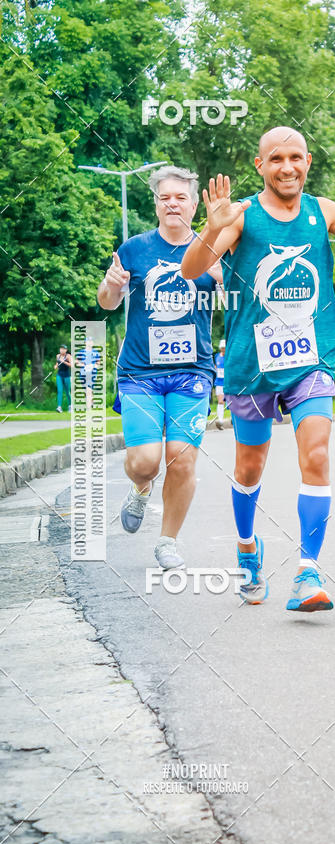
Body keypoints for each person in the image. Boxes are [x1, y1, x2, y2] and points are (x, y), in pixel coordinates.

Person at [181, 126, 335, 611]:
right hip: (250, 363)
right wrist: (214, 228)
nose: (287, 166)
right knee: (250, 464)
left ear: (308, 161)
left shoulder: (325, 212)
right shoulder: (241, 216)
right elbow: (192, 270)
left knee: (316, 455)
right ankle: (246, 546)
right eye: (276, 158)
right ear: (261, 166)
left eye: (295, 157)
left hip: (311, 360)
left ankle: (307, 572)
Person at [97, 165, 217, 571]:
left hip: (193, 371)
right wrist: (112, 284)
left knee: (181, 460)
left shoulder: (210, 247)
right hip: (140, 373)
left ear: (193, 203)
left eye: (180, 197)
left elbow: (242, 298)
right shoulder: (135, 248)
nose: (172, 203)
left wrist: (223, 276)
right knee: (146, 462)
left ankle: (167, 542)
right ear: (156, 203)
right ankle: (140, 488)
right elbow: (106, 302)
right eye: (164, 197)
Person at [74, 336, 101, 408]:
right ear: (85, 343)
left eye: (91, 341)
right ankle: (91, 401)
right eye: (88, 341)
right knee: (86, 390)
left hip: (92, 373)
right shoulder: (81, 352)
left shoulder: (95, 352)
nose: (90, 343)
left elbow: (98, 362)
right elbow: (76, 361)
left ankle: (88, 407)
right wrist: (81, 364)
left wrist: (94, 365)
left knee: (89, 389)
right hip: (83, 373)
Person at [54, 344, 72, 412]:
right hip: (59, 375)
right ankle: (59, 407)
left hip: (67, 375)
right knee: (60, 391)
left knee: (67, 392)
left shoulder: (68, 356)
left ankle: (70, 406)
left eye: (63, 349)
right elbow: (57, 364)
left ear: (66, 350)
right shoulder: (58, 356)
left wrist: (64, 361)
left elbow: (71, 365)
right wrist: (56, 366)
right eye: (61, 349)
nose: (62, 350)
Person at [214, 339, 227, 429]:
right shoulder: (217, 356)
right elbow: (215, 366)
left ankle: (234, 420)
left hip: (228, 382)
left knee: (231, 402)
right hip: (219, 382)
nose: (223, 349)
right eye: (222, 348)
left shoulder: (229, 357)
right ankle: (220, 421)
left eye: (224, 348)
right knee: (220, 401)